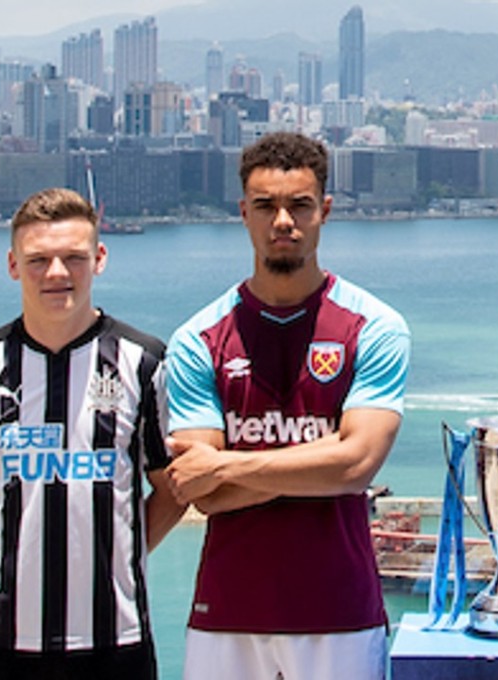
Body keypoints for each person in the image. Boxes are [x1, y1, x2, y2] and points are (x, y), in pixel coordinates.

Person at [165, 132, 411, 680]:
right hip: (226, 615)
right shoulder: (197, 339)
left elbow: (357, 467)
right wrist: (320, 461)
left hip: (341, 614)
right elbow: (202, 493)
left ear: (324, 211)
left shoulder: (375, 328)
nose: (283, 221)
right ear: (243, 214)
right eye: (266, 207)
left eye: (299, 205)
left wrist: (229, 462)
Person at [0, 187, 183, 680]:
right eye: (38, 260)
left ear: (99, 258)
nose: (56, 273)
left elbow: (171, 488)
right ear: (12, 265)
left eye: (73, 258)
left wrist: (117, 552)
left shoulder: (144, 363)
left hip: (115, 641)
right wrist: (11, 559)